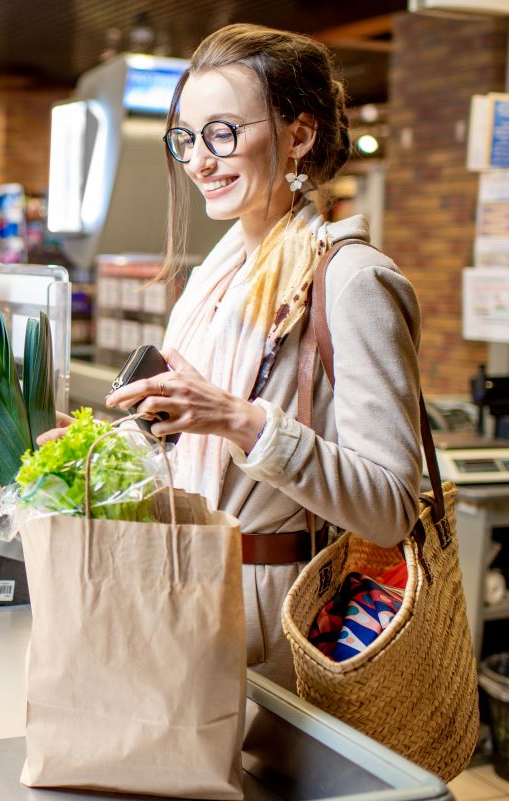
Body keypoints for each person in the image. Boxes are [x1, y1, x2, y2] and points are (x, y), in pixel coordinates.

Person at [56, 24, 424, 689]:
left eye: (223, 133)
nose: (199, 160)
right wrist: (100, 452)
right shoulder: (217, 279)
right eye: (187, 138)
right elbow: (188, 449)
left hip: (280, 626)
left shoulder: (352, 281)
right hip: (188, 589)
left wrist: (240, 419)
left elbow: (392, 506)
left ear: (298, 136)